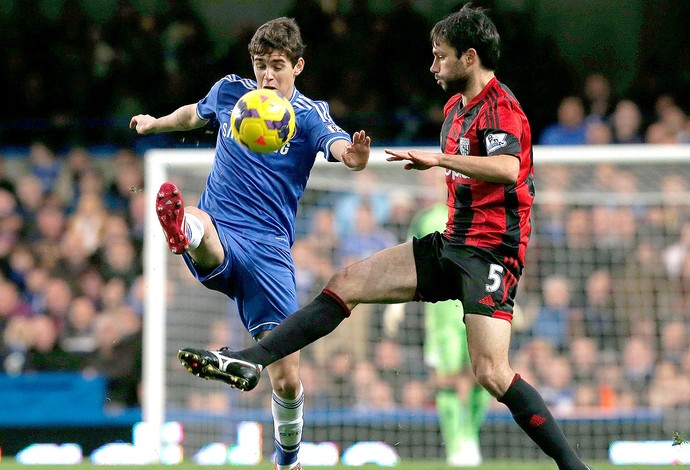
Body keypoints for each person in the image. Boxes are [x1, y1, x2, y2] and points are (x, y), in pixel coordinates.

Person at [178, 6, 593, 469]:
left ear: (470, 58)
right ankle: (249, 360)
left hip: (490, 256)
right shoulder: (457, 107)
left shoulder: (503, 108)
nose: (433, 67)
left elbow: (508, 168)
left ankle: (574, 467)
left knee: (491, 373)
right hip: (450, 243)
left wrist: (440, 161)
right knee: (348, 281)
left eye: (441, 58)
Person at [131, 17, 371, 470]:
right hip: (222, 225)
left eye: (277, 66)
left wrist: (353, 158)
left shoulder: (308, 114)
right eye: (260, 65)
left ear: (297, 65)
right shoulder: (230, 93)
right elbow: (192, 114)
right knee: (198, 221)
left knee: (285, 377)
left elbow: (336, 143)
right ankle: (182, 230)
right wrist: (154, 123)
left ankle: (288, 460)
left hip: (271, 253)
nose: (267, 76)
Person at [406, 182, 491, 466]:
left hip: (479, 306)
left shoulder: (480, 216)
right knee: (448, 378)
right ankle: (457, 445)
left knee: (485, 375)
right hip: (441, 313)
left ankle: (470, 435)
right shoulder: (427, 218)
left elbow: (497, 261)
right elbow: (407, 260)